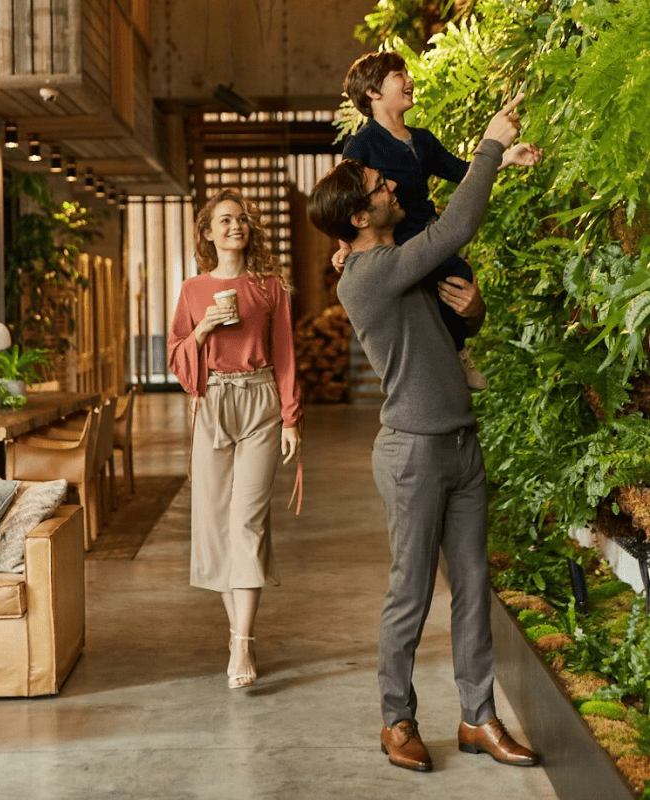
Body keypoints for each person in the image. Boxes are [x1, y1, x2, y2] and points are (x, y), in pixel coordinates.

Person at [307, 97, 540, 772]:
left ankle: (478, 718)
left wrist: (477, 311)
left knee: (472, 585)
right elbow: (458, 225)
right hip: (412, 450)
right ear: (359, 217)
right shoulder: (367, 274)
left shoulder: (400, 259)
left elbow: (437, 340)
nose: (393, 187)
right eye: (381, 188)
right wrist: (491, 146)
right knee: (409, 593)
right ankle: (397, 719)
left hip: (460, 442)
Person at [339, 50, 542, 389]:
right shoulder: (360, 144)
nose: (410, 80)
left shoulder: (423, 140)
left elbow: (463, 172)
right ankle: (433, 372)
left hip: (431, 233)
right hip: (396, 244)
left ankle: (459, 352)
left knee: (460, 277)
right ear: (373, 93)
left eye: (407, 72)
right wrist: (346, 247)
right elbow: (344, 200)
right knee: (421, 302)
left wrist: (506, 156)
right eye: (398, 76)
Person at [168, 188, 302, 689]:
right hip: (213, 405)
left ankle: (242, 643)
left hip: (260, 400)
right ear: (207, 232)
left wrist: (291, 418)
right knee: (215, 526)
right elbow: (178, 358)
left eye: (242, 219)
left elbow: (285, 353)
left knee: (247, 522)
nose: (235, 226)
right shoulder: (192, 290)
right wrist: (202, 327)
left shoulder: (270, 287)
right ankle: (236, 634)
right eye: (224, 220)